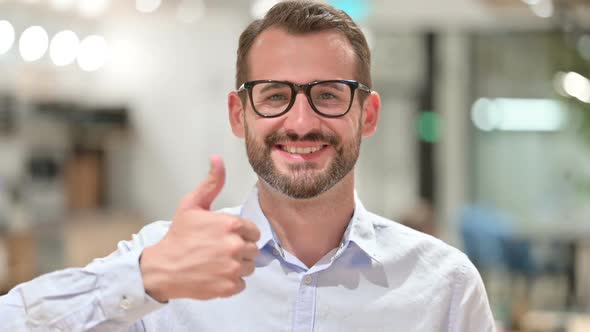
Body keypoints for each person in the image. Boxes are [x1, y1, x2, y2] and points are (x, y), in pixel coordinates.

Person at [0, 1, 496, 331]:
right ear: (240, 115)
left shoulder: (444, 286)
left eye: (328, 95)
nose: (300, 122)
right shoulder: (164, 263)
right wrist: (142, 278)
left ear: (367, 115)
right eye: (275, 96)